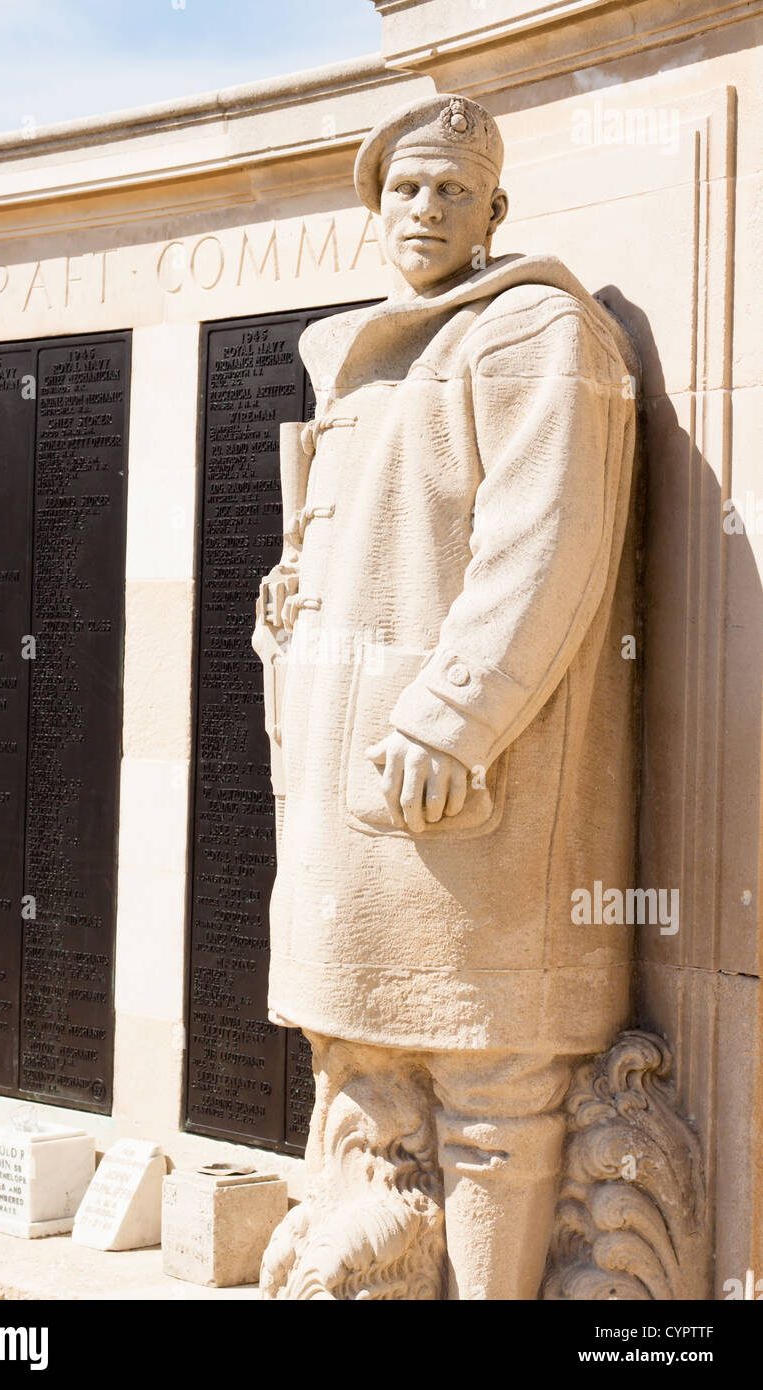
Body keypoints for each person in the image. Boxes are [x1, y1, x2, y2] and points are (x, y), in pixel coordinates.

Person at [253, 93, 639, 1299]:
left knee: (491, 1076)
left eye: (452, 191)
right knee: (372, 1052)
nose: (426, 209)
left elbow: (549, 536)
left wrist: (453, 711)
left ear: (492, 211)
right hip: (345, 762)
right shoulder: (363, 352)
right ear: (375, 207)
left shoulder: (531, 328)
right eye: (406, 188)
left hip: (464, 769)